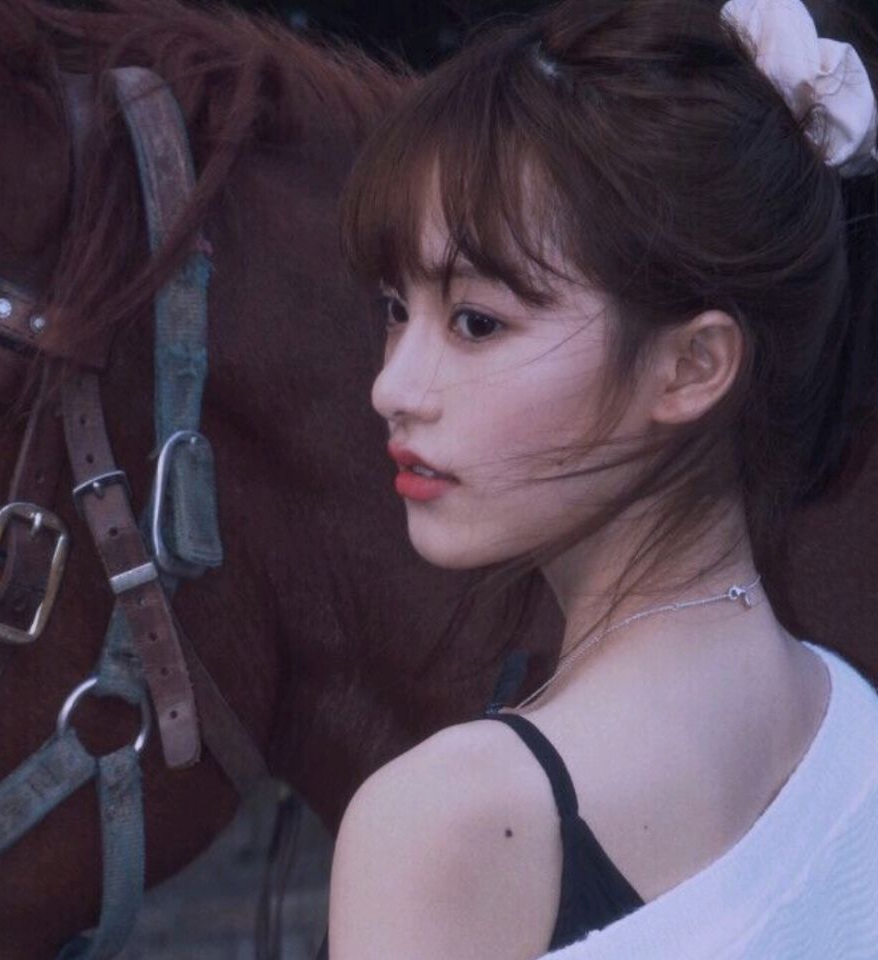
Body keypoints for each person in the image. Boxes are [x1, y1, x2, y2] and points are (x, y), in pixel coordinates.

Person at [326, 0, 878, 957]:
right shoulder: (851, 724)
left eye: (476, 323)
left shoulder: (446, 826)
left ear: (693, 367)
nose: (393, 389)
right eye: (394, 310)